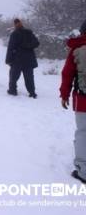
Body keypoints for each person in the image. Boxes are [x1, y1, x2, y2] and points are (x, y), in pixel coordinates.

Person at [60, 20, 86, 184]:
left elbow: (67, 74)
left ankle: (83, 171)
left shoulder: (77, 48)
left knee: (83, 133)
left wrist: (64, 95)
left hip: (83, 100)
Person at [5, 18, 39, 98]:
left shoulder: (14, 34)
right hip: (29, 60)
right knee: (29, 77)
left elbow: (10, 47)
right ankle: (32, 92)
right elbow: (36, 43)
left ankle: (12, 90)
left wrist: (8, 60)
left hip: (17, 59)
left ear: (15, 25)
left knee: (13, 76)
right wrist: (28, 46)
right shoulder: (29, 32)